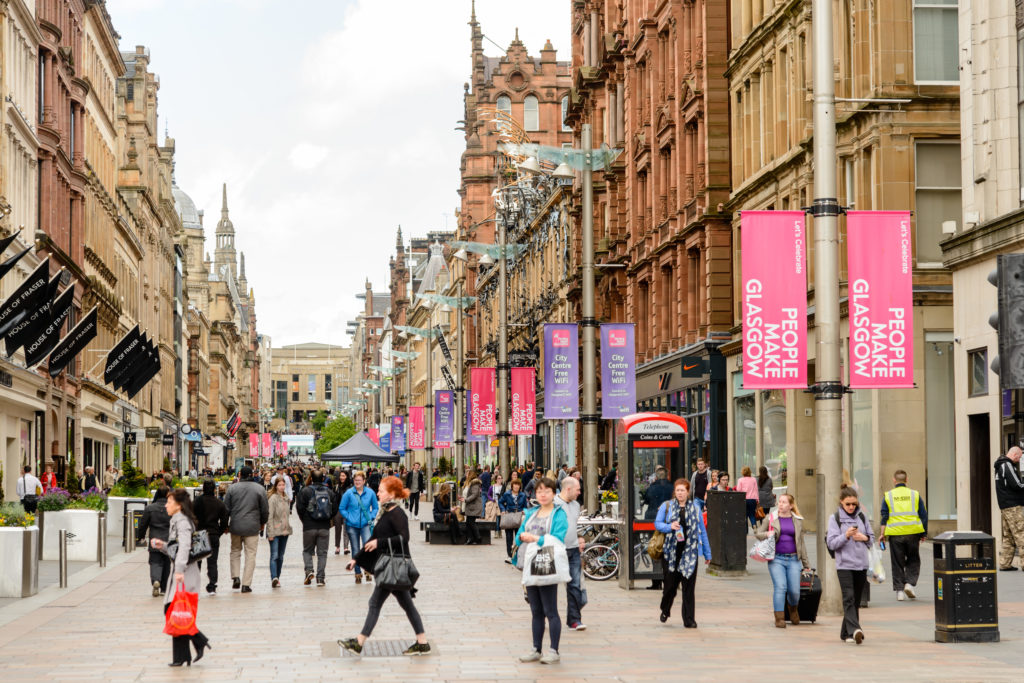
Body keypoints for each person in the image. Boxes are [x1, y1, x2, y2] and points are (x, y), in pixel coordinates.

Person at [339, 476, 431, 656]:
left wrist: (379, 543)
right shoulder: (386, 512)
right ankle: (422, 642)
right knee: (407, 606)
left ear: (391, 494)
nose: (378, 493)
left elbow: (403, 539)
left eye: (381, 491)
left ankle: (359, 642)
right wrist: (356, 559)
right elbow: (373, 540)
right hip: (392, 569)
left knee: (375, 603)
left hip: (392, 568)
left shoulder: (397, 513)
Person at [150, 489, 211, 667]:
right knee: (175, 612)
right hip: (181, 572)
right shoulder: (177, 520)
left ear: (178, 505)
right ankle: (183, 655)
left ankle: (195, 644)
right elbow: (176, 547)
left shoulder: (182, 521)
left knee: (174, 610)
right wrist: (163, 546)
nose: (166, 505)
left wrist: (179, 569)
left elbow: (184, 547)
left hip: (185, 574)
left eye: (169, 502)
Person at [515, 477, 569, 665]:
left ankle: (554, 650)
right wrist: (520, 537)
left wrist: (535, 539)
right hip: (530, 566)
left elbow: (558, 537)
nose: (543, 494)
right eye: (539, 491)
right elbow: (519, 533)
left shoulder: (559, 514)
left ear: (554, 493)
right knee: (536, 610)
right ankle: (536, 649)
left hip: (547, 564)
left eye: (547, 491)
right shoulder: (531, 512)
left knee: (550, 610)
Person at [654, 479, 710, 627]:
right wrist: (669, 526)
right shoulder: (667, 506)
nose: (680, 493)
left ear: (688, 492)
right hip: (671, 553)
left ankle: (689, 620)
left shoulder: (695, 508)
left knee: (688, 589)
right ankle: (665, 609)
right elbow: (657, 524)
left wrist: (707, 553)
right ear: (675, 492)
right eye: (678, 490)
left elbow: (702, 531)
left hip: (689, 553)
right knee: (670, 587)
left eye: (683, 490)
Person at [826, 487, 875, 644]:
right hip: (844, 565)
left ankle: (846, 633)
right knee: (849, 597)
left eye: (854, 503)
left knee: (856, 600)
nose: (851, 507)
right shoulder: (834, 519)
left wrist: (864, 537)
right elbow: (832, 543)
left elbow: (872, 539)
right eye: (848, 504)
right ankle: (855, 630)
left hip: (861, 565)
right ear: (841, 502)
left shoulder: (862, 516)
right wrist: (845, 535)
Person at [755, 493, 810, 627]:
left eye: (784, 502)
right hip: (776, 559)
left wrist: (806, 564)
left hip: (793, 559)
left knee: (794, 591)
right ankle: (779, 617)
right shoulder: (771, 518)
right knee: (780, 587)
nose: (780, 504)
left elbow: (801, 543)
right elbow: (758, 534)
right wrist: (767, 534)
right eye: (779, 502)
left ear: (791, 506)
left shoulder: (797, 520)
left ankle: (793, 609)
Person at [880, 469, 927, 601]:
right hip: (913, 533)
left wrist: (882, 534)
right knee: (913, 559)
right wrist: (923, 533)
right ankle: (909, 584)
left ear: (894, 480)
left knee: (897, 562)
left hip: (895, 534)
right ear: (906, 480)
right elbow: (923, 515)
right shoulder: (915, 494)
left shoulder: (888, 495)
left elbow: (884, 515)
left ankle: (899, 591)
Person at [222, 466, 269, 593]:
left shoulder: (232, 488)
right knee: (250, 555)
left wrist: (225, 525)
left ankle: (235, 576)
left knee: (235, 551)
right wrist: (262, 522)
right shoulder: (259, 489)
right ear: (252, 474)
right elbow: (265, 509)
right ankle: (246, 584)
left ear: (240, 474)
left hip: (236, 525)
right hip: (252, 526)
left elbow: (226, 509)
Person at [553, 476, 587, 631]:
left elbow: (574, 525)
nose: (579, 492)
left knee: (574, 585)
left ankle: (574, 619)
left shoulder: (576, 505)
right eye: (577, 489)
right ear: (568, 489)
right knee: (549, 585)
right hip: (556, 549)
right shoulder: (553, 504)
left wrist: (580, 539)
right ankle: (545, 614)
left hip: (573, 550)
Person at [296, 469, 337, 586]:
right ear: (323, 479)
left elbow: (299, 508)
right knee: (322, 553)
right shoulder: (329, 492)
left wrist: (305, 520)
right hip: (324, 526)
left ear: (311, 478)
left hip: (309, 526)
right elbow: (334, 509)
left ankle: (309, 570)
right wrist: (328, 518)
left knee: (307, 551)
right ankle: (320, 578)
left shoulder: (305, 491)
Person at [339, 471, 379, 584]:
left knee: (367, 547)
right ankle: (357, 572)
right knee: (355, 548)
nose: (357, 482)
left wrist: (371, 517)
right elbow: (342, 508)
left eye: (359, 480)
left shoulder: (370, 492)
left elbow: (375, 507)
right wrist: (349, 517)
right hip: (352, 525)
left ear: (364, 481)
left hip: (366, 524)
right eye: (355, 480)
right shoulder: (348, 493)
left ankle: (367, 569)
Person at [193, 479, 229, 594]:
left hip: (199, 534)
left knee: (197, 561)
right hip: (213, 534)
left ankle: (194, 584)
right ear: (215, 489)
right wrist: (218, 533)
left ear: (203, 489)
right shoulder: (219, 503)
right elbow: (224, 522)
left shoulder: (196, 502)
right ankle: (212, 585)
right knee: (212, 562)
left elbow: (190, 518)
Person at [138, 487, 173, 597]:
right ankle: (163, 588)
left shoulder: (150, 508)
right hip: (168, 540)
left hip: (154, 539)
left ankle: (156, 580)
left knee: (155, 562)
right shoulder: (171, 508)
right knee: (166, 563)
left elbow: (143, 525)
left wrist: (141, 536)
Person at [994, 446, 1024, 571]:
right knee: (1021, 533)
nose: (1019, 460)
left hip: (1005, 506)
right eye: (1019, 457)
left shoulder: (1000, 465)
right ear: (1015, 454)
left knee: (1009, 536)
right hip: (1013, 505)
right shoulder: (1007, 465)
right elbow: (1017, 484)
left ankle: (1005, 563)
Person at [266, 477, 293, 587]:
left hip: (285, 531)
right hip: (275, 530)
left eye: (283, 485)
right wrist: (270, 533)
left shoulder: (286, 498)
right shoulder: (272, 498)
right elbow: (270, 516)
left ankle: (278, 577)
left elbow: (286, 515)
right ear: (275, 486)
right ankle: (274, 577)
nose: (282, 487)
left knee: (281, 556)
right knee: (274, 555)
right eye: (280, 485)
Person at [499, 479, 528, 561]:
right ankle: (509, 555)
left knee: (518, 537)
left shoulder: (522, 495)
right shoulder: (507, 494)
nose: (516, 486)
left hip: (519, 517)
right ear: (512, 486)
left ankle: (517, 555)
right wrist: (503, 510)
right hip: (509, 516)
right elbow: (500, 502)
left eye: (518, 485)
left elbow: (525, 506)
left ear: (520, 486)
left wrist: (524, 511)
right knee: (509, 537)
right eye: (515, 484)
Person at [459, 469, 484, 545]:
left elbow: (474, 494)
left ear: (471, 475)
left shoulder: (474, 483)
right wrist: (462, 498)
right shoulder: (468, 483)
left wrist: (466, 500)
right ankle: (471, 538)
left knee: (471, 522)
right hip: (470, 506)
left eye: (467, 474)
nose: (466, 475)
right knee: (468, 522)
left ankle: (477, 537)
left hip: (474, 506)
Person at [333, 470, 353, 555]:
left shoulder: (350, 487)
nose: (342, 477)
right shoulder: (337, 486)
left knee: (346, 529)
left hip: (347, 510)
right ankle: (337, 547)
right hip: (338, 510)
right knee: (337, 529)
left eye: (343, 476)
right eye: (341, 476)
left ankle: (346, 547)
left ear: (347, 477)